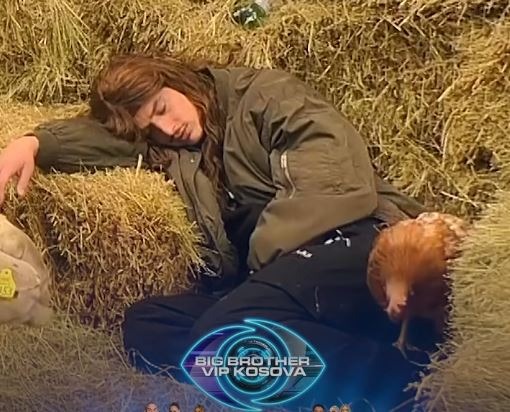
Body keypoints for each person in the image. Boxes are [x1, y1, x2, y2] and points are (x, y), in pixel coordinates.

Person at [0, 54, 431, 409]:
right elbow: (110, 141)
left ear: (177, 79)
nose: (167, 129)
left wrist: (262, 268)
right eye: (151, 129)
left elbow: (331, 176)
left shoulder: (264, 96)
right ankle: (303, 375)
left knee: (226, 331)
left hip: (358, 242)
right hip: (272, 280)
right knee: (147, 327)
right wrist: (35, 143)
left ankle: (406, 386)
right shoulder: (177, 146)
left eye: (162, 108)